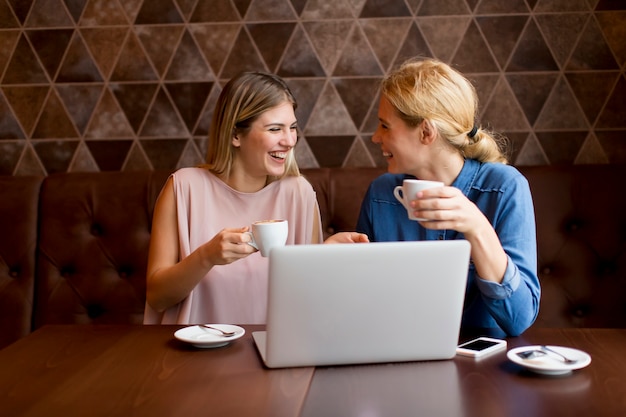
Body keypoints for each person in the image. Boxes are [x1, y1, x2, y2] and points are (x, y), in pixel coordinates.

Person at [144, 71, 363, 325]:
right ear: (236, 135)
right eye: (274, 129)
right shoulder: (183, 188)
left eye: (292, 128)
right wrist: (206, 257)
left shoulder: (298, 193)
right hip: (194, 356)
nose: (290, 140)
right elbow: (157, 298)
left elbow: (306, 301)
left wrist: (324, 257)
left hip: (275, 352)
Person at [355, 58, 540, 337]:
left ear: (427, 132)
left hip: (484, 369)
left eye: (385, 126)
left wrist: (477, 228)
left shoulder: (504, 188)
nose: (375, 137)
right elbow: (361, 307)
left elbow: (519, 319)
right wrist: (335, 262)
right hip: (398, 353)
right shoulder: (381, 194)